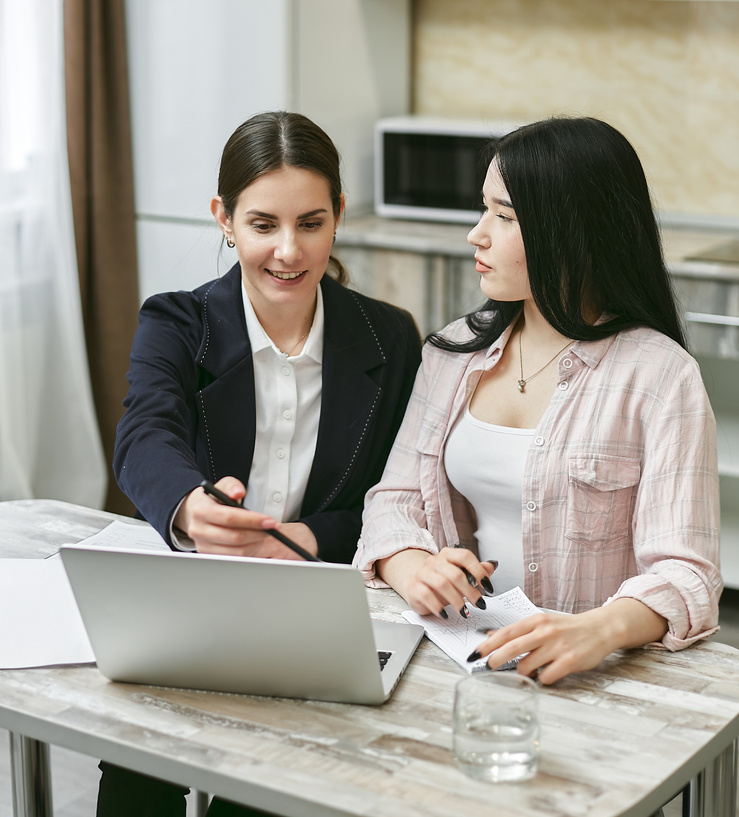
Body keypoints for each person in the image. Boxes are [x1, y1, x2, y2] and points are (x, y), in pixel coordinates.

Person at [99, 111, 421, 817]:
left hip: (316, 609)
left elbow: (397, 495)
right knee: (138, 769)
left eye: (310, 222)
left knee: (267, 790)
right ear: (223, 218)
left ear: (338, 214)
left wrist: (305, 540)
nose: (287, 251)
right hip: (189, 603)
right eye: (262, 224)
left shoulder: (389, 337)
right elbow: (143, 435)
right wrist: (190, 507)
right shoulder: (176, 322)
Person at [354, 116, 722, 690]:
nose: (477, 234)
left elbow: (686, 574)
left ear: (572, 231)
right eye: (484, 209)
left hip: (593, 680)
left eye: (503, 216)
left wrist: (596, 630)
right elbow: (393, 500)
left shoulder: (661, 378)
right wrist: (415, 569)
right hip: (459, 660)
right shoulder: (453, 353)